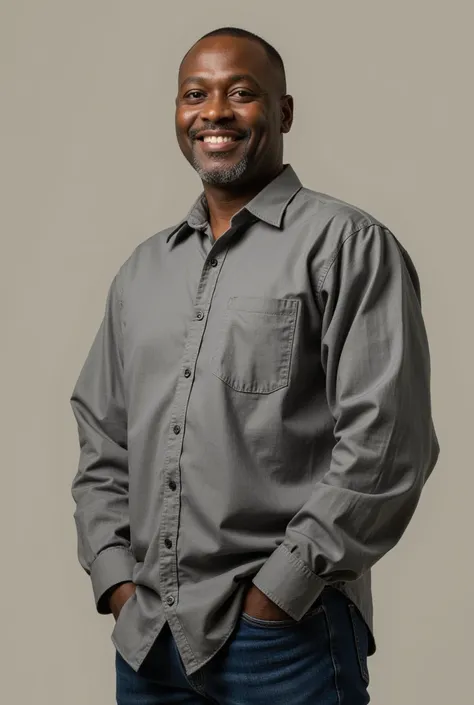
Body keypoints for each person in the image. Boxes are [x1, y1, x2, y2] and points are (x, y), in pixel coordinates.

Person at [70, 26, 440, 705]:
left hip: (284, 641)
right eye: (194, 94)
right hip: (148, 639)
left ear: (284, 113)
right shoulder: (141, 272)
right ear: (178, 114)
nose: (214, 111)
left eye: (241, 93)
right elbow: (102, 438)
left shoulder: (347, 247)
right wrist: (117, 579)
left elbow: (388, 442)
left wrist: (281, 591)